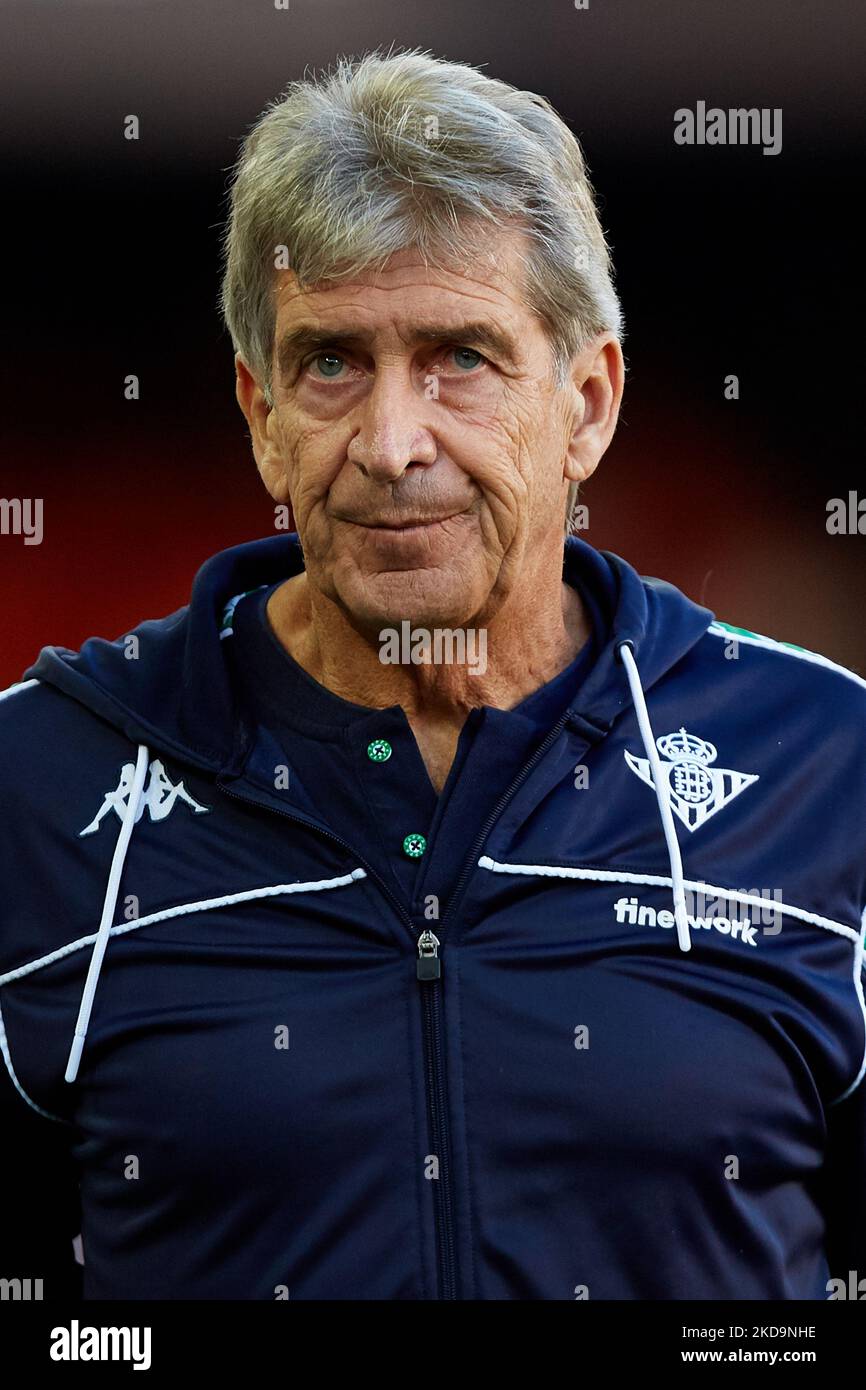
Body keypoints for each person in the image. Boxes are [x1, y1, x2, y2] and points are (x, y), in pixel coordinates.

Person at [1, 48, 864, 1302]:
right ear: (259, 416)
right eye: (331, 364)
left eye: (459, 356)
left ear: (586, 402)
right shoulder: (38, 780)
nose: (392, 445)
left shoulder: (824, 760)